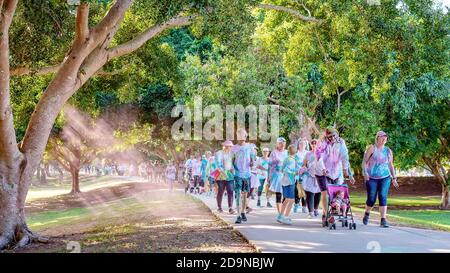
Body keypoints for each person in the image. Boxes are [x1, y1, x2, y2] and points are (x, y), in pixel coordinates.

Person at [316, 127, 355, 225]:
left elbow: (345, 156)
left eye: (334, 135)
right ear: (326, 136)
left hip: (336, 172)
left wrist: (347, 170)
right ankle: (325, 214)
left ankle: (339, 212)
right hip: (322, 172)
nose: (332, 138)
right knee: (325, 193)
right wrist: (323, 168)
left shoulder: (341, 142)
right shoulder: (322, 143)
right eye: (330, 136)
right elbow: (319, 158)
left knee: (338, 193)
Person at [362, 131, 399, 228]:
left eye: (385, 138)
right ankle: (367, 213)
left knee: (382, 196)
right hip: (371, 177)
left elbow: (391, 165)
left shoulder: (388, 151)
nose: (384, 139)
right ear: (377, 138)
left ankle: (383, 220)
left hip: (385, 177)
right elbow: (364, 162)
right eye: (382, 137)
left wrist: (394, 178)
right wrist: (365, 173)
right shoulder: (371, 148)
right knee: (371, 199)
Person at [232, 128, 256, 224]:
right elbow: (231, 161)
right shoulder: (234, 148)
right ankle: (238, 215)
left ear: (246, 136)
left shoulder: (250, 147)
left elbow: (252, 160)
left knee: (245, 194)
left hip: (247, 174)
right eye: (239, 135)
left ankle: (243, 212)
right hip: (238, 174)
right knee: (238, 194)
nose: (241, 137)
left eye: (243, 135)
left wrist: (251, 163)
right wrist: (233, 169)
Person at [278, 144, 299, 225]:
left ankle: (280, 216)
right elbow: (287, 170)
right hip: (290, 182)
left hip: (284, 181)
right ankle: (286, 217)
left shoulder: (286, 159)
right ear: (295, 151)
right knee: (291, 200)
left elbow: (282, 169)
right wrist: (295, 173)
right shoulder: (291, 160)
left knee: (286, 199)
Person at [301, 139, 322, 218]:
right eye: (312, 144)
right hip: (310, 176)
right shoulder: (308, 154)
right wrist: (303, 169)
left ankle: (316, 209)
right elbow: (304, 164)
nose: (314, 145)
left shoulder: (321, 153)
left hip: (318, 176)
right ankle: (311, 212)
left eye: (315, 143)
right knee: (310, 194)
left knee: (318, 194)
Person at [268, 137, 288, 217]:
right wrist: (269, 177)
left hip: (286, 176)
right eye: (280, 143)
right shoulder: (274, 153)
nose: (282, 145)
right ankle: (280, 213)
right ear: (277, 144)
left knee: (286, 195)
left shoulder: (287, 152)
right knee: (279, 194)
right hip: (277, 176)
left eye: (283, 143)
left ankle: (282, 212)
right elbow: (269, 166)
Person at [215, 140, 235, 214]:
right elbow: (218, 164)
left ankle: (230, 208)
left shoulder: (231, 154)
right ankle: (219, 207)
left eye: (230, 146)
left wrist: (233, 169)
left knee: (230, 190)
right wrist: (223, 172)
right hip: (220, 173)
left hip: (229, 173)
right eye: (228, 146)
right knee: (221, 190)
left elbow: (231, 164)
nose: (229, 148)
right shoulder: (219, 153)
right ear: (224, 146)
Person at [294, 139, 308, 213]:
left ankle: (304, 206)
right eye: (300, 144)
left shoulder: (308, 153)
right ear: (298, 145)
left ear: (306, 145)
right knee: (297, 190)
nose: (302, 145)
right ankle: (296, 204)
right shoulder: (296, 154)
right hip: (297, 174)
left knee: (305, 190)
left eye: (303, 144)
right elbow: (294, 164)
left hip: (306, 175)